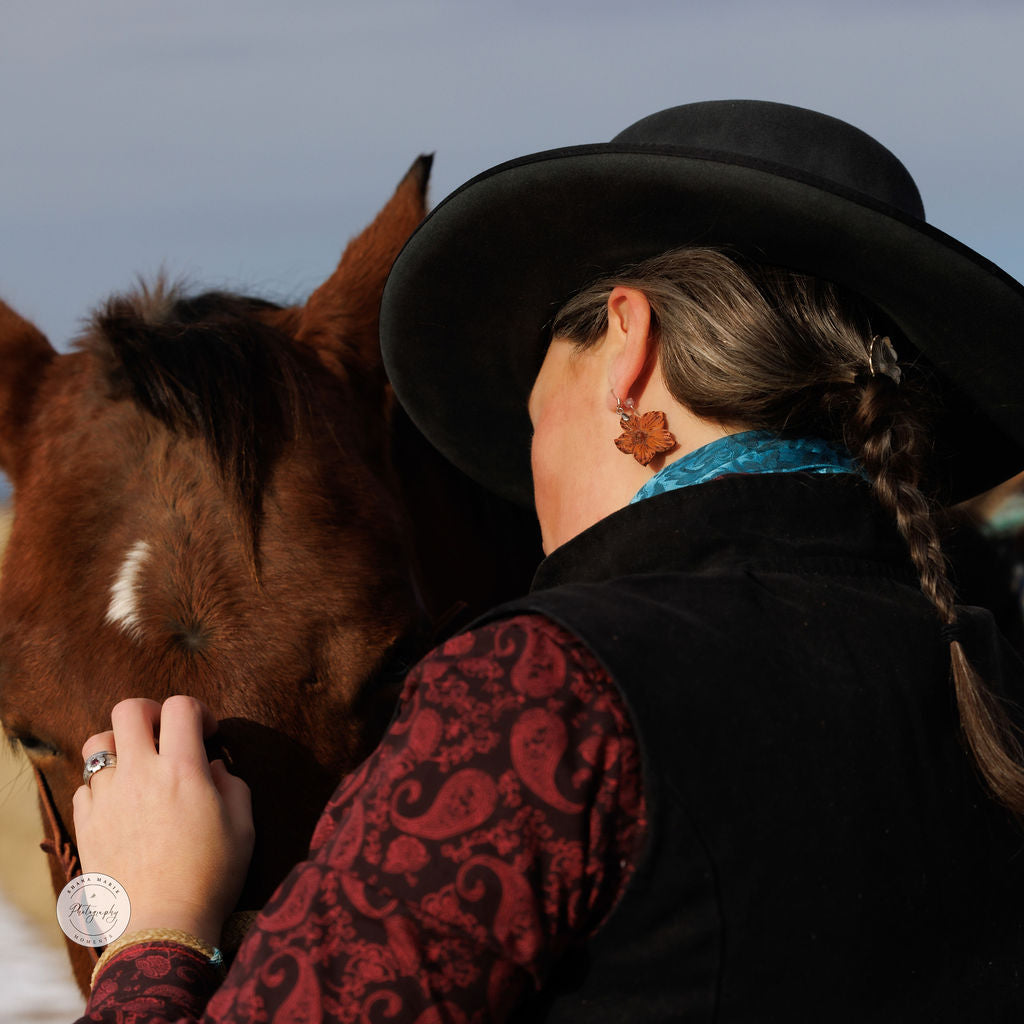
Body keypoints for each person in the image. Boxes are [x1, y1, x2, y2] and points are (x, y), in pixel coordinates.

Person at [72, 100, 1024, 1022]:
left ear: (626, 341)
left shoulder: (544, 693)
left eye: (534, 397)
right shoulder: (982, 667)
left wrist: (152, 926)